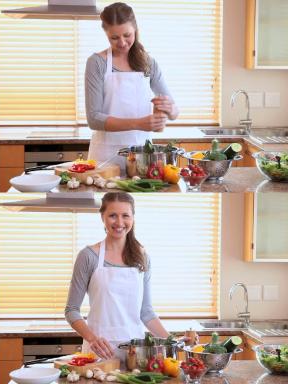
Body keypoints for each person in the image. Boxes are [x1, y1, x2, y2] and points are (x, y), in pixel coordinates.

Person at [64, 192, 169, 360]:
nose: (119, 222)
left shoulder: (142, 258)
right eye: (112, 215)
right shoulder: (89, 256)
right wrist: (92, 339)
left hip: (135, 355)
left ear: (133, 218)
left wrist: (172, 341)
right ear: (102, 217)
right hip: (98, 353)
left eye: (125, 215)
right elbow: (71, 310)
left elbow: (146, 312)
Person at [85, 3, 179, 174]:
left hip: (142, 157)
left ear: (135, 28)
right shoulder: (97, 63)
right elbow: (94, 119)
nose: (122, 42)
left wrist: (170, 109)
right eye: (114, 38)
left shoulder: (148, 63)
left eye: (127, 35)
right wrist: (138, 123)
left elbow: (174, 113)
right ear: (106, 34)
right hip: (105, 158)